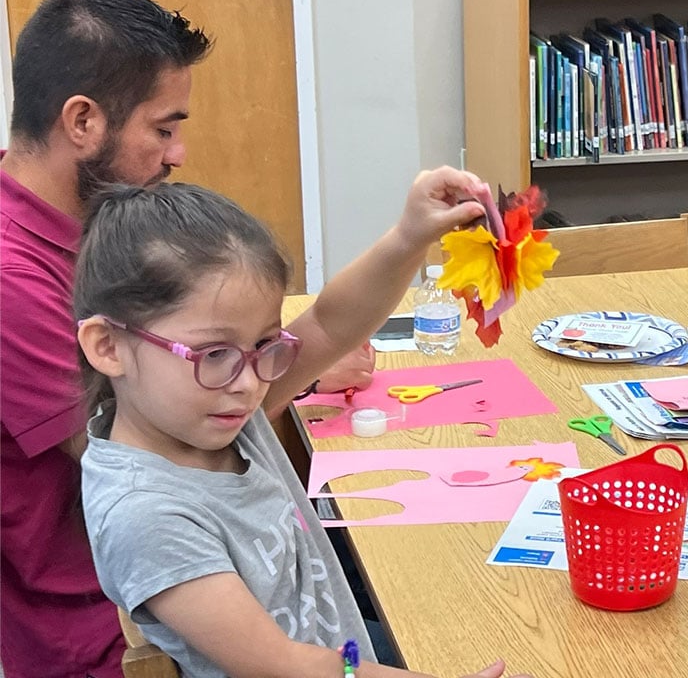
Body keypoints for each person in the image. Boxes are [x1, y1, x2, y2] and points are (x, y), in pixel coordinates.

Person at [0, 0, 371, 677]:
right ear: (82, 122)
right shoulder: (12, 280)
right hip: (116, 638)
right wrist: (287, 363)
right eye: (162, 128)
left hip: (223, 592)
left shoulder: (88, 228)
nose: (177, 154)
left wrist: (278, 350)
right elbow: (169, 440)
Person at [75, 180, 527, 678]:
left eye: (266, 345)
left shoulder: (206, 411)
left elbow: (332, 324)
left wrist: (409, 237)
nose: (249, 384)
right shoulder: (146, 516)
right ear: (108, 347)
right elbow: (286, 667)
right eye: (214, 353)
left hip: (345, 657)